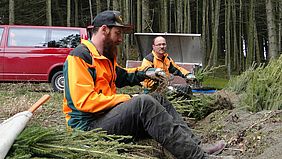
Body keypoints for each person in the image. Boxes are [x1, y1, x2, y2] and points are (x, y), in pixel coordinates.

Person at [63, 10, 225, 159]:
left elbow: (123, 75)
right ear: (104, 29)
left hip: (104, 116)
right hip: (87, 127)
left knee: (157, 98)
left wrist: (147, 73)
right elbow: (85, 101)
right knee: (143, 102)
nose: (120, 39)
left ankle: (195, 147)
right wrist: (129, 98)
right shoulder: (80, 57)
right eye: (117, 33)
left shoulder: (104, 58)